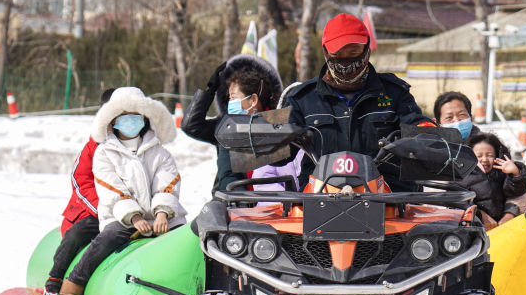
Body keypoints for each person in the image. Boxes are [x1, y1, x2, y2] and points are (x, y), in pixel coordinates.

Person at [57, 87, 186, 295]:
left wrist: (162, 212)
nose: (131, 121)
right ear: (113, 119)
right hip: (122, 218)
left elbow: (168, 182)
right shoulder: (104, 153)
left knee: (185, 239)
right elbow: (111, 189)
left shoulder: (160, 152)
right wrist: (134, 217)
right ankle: (73, 285)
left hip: (160, 217)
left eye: (136, 115)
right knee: (109, 237)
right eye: (124, 116)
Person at [284, 13, 433, 190]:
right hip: (319, 195)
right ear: (325, 52)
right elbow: (276, 151)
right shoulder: (302, 98)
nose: (346, 61)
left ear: (367, 49)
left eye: (353, 52)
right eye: (338, 54)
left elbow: (417, 125)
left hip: (388, 197)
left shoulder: (395, 93)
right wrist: (261, 133)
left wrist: (432, 135)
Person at [43, 87, 116, 295]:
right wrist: (102, 208)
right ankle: (54, 280)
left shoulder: (138, 144)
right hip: (95, 210)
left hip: (130, 211)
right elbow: (80, 180)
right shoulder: (93, 146)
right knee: (76, 234)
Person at [182, 54, 283, 193]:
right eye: (229, 98)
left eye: (234, 98)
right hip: (233, 200)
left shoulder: (279, 127)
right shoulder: (227, 127)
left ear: (253, 100)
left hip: (274, 201)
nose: (230, 103)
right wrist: (209, 90)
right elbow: (191, 126)